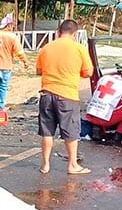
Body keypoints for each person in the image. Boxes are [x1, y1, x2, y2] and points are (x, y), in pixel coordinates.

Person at [35, 19, 94, 175]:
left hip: (47, 93)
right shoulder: (79, 48)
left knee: (47, 132)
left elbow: (39, 71)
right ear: (74, 33)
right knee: (71, 132)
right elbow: (88, 72)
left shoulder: (46, 48)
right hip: (68, 95)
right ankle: (72, 165)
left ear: (58, 32)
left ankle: (45, 165)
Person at [0, 13, 29, 111]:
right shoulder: (13, 37)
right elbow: (19, 52)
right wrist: (25, 61)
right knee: (3, 87)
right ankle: (1, 104)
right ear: (9, 25)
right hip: (7, 67)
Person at [84, 60, 122, 137]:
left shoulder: (104, 78)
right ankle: (121, 132)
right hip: (106, 119)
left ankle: (100, 127)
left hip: (90, 115)